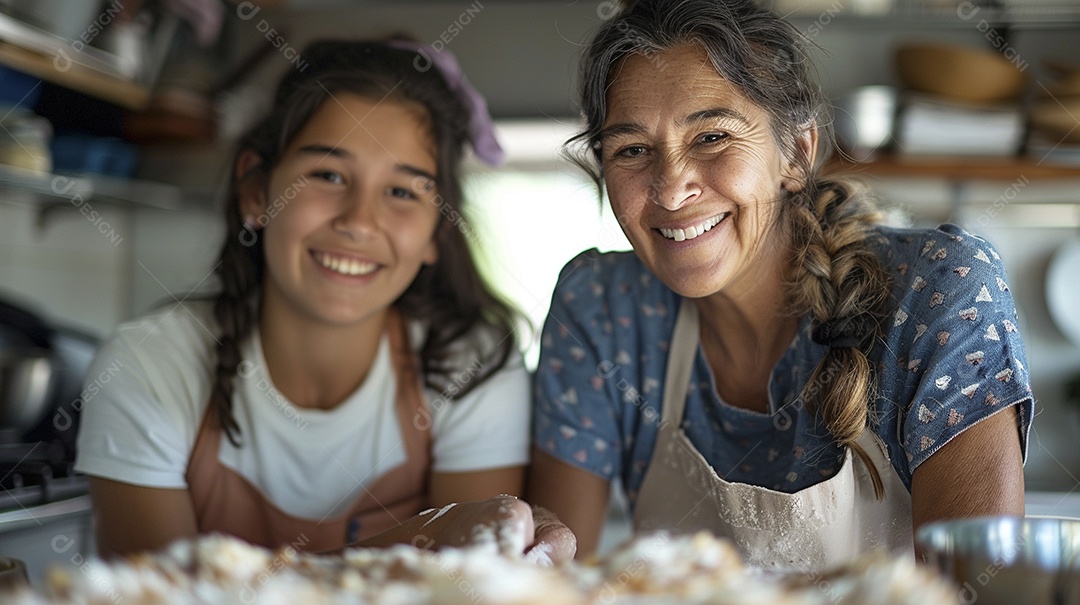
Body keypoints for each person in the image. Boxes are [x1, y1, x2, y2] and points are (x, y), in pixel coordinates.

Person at [527, 0, 1033, 569]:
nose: (670, 191)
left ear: (797, 151)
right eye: (633, 150)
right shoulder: (600, 308)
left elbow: (975, 587)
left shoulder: (935, 290)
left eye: (711, 137)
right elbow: (554, 577)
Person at [76, 38, 572, 561]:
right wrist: (418, 541)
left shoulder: (470, 366)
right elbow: (149, 596)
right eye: (329, 176)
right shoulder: (149, 366)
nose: (359, 221)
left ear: (437, 234)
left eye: (403, 192)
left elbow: (469, 590)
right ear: (256, 193)